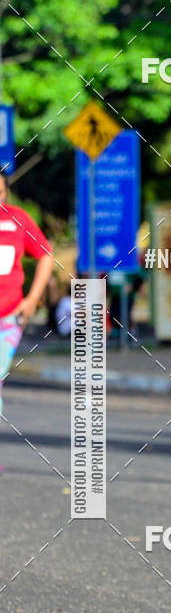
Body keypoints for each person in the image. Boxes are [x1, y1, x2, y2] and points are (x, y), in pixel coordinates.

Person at [0, 172, 54, 470]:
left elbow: (45, 253)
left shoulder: (17, 219)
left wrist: (32, 299)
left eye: (1, 192)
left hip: (7, 316)